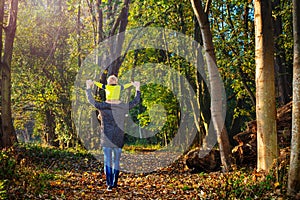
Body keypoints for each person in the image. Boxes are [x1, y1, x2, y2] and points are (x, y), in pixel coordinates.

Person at [85, 79, 141, 191]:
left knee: (108, 162)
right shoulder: (122, 106)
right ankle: (113, 183)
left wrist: (88, 87)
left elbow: (91, 100)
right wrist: (137, 88)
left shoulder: (103, 106)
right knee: (115, 162)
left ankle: (110, 184)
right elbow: (135, 101)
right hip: (118, 137)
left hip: (107, 137)